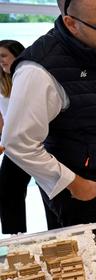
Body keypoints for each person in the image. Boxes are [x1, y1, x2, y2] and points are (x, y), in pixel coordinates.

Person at [2, 0, 96, 228]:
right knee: (93, 262)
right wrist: (74, 184)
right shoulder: (39, 69)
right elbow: (17, 142)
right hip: (81, 194)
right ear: (71, 23)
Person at [0, 40, 31, 234]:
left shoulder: (28, 79)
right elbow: (2, 118)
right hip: (14, 148)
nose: (0, 61)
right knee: (7, 192)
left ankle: (60, 233)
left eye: (3, 56)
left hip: (37, 146)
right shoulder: (2, 85)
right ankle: (15, 238)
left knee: (52, 195)